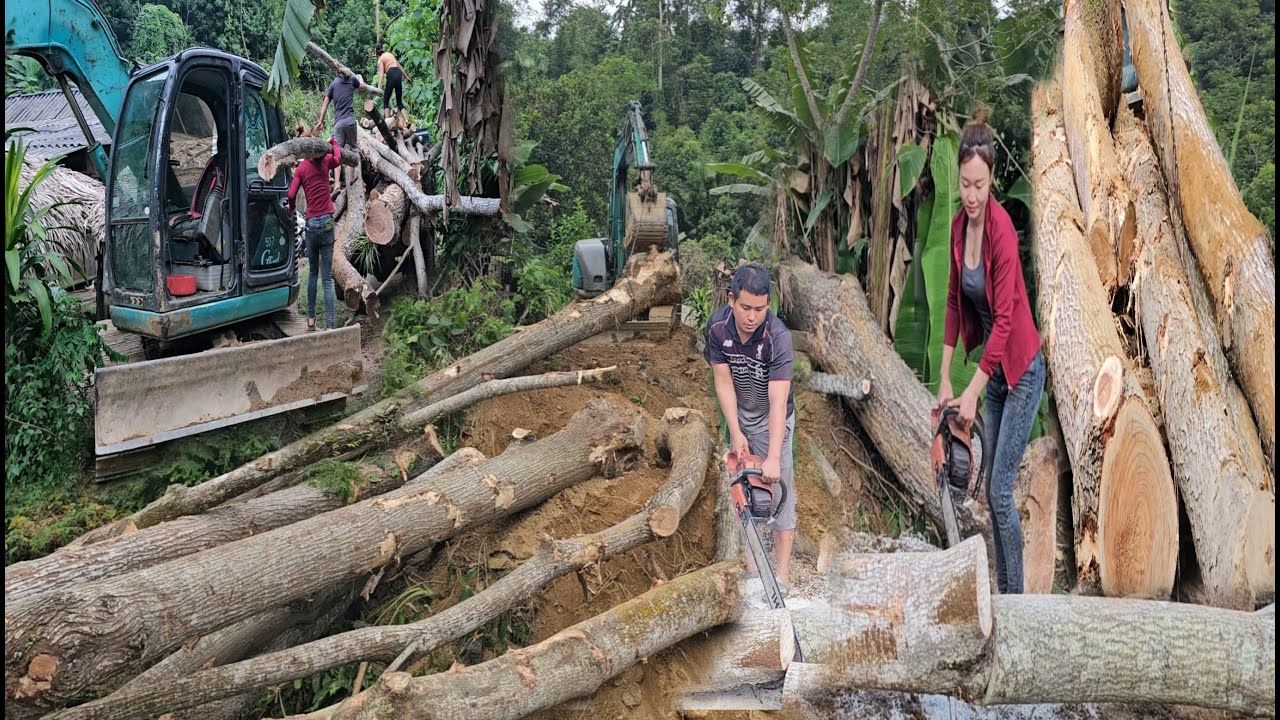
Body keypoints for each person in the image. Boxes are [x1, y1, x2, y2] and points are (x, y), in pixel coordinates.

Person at [938, 106, 1045, 595]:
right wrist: (945, 379)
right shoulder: (959, 227)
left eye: (980, 185)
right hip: (994, 375)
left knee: (1001, 491)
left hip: (1021, 371)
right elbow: (955, 304)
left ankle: (1015, 600)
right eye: (965, 184)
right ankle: (1005, 594)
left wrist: (973, 390)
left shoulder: (1001, 230)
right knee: (992, 494)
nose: (973, 195)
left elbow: (1003, 320)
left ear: (992, 179)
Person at [706, 263, 797, 589]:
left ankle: (782, 576)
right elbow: (722, 381)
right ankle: (753, 565)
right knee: (746, 493)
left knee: (779, 490)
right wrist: (735, 430)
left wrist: (772, 456)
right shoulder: (717, 328)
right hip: (739, 412)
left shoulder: (779, 338)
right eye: (745, 307)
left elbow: (778, 400)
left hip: (774, 418)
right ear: (732, 299)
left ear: (767, 305)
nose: (751, 316)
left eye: (759, 309)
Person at [286, 135, 342, 331]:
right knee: (327, 278)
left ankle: (311, 319)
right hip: (327, 221)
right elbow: (338, 159)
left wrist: (292, 208)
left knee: (313, 274)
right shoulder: (325, 161)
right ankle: (330, 324)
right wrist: (334, 143)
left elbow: (291, 195)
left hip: (311, 225)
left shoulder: (301, 170)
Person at [313, 71, 363, 188]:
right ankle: (350, 178)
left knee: (337, 153)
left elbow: (325, 101)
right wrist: (360, 77)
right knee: (354, 149)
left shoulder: (334, 83)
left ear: (336, 71)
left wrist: (321, 121)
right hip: (350, 122)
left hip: (339, 124)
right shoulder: (352, 79)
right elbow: (362, 87)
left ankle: (336, 184)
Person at [375, 45, 410, 120]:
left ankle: (387, 122)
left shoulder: (380, 59)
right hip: (398, 73)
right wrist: (406, 77)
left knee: (385, 101)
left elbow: (381, 75)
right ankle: (407, 121)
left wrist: (379, 88)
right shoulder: (390, 55)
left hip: (391, 74)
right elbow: (399, 66)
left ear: (377, 55)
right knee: (399, 102)